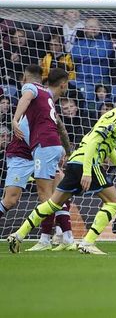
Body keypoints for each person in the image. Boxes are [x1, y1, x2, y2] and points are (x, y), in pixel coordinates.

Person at [7, 86, 116, 255]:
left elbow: (105, 144)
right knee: (114, 202)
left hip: (76, 160)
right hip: (87, 162)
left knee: (53, 203)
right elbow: (92, 143)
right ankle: (88, 243)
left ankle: (18, 235)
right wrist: (88, 172)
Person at [2, 68, 73, 251]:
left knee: (53, 191)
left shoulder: (41, 96)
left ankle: (58, 236)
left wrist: (67, 150)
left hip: (42, 148)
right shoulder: (36, 93)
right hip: (22, 154)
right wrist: (16, 120)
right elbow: (58, 126)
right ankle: (61, 235)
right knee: (11, 200)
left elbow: (60, 127)